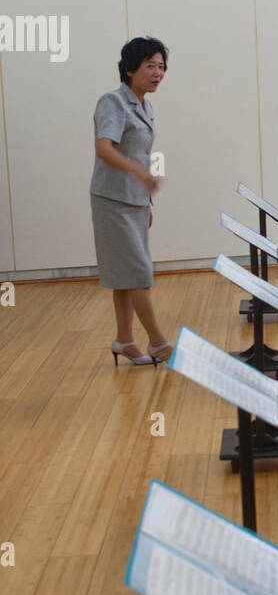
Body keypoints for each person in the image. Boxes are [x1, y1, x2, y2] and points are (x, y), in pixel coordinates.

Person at [90, 37, 171, 365]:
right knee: (139, 273)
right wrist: (140, 174)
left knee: (125, 275)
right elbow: (104, 148)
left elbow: (139, 151)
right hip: (112, 200)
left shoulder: (145, 105)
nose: (157, 73)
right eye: (150, 65)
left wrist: (145, 201)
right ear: (129, 68)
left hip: (134, 202)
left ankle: (124, 340)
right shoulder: (113, 102)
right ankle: (158, 343)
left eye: (162, 67)